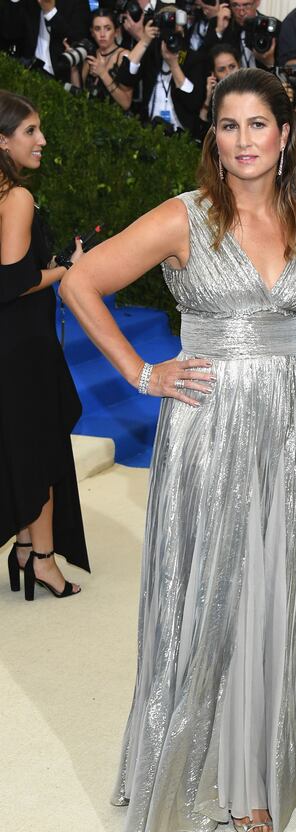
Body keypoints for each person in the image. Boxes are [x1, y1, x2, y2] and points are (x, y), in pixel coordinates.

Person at [59, 67, 296, 832]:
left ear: (287, 135)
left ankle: (264, 762)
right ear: (213, 139)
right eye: (229, 126)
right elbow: (81, 283)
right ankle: (204, 771)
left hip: (285, 434)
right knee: (214, 590)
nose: (245, 140)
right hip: (209, 433)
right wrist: (140, 372)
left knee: (276, 585)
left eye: (260, 125)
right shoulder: (185, 217)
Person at [0, 90, 89, 599]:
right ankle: (43, 560)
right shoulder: (17, 196)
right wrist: (64, 270)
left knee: (23, 446)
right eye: (30, 131)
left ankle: (24, 548)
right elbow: (11, 281)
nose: (42, 140)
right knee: (43, 448)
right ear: (4, 140)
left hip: (12, 342)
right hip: (24, 346)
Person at [0, 0, 90, 79]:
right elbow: (9, 33)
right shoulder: (28, 2)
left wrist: (50, 12)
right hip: (27, 71)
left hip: (60, 76)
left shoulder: (76, 2)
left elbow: (79, 39)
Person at [68, 9, 132, 110]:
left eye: (107, 28)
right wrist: (74, 67)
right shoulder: (90, 56)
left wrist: (103, 73)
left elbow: (126, 103)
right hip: (90, 119)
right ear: (92, 33)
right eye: (97, 29)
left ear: (116, 31)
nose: (102, 34)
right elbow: (79, 97)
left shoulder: (124, 56)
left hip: (116, 121)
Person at [198, 43, 241, 129]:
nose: (228, 73)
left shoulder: (254, 91)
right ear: (214, 74)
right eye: (222, 69)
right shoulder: (214, 99)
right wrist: (208, 99)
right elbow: (202, 130)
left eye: (232, 67)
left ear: (239, 66)